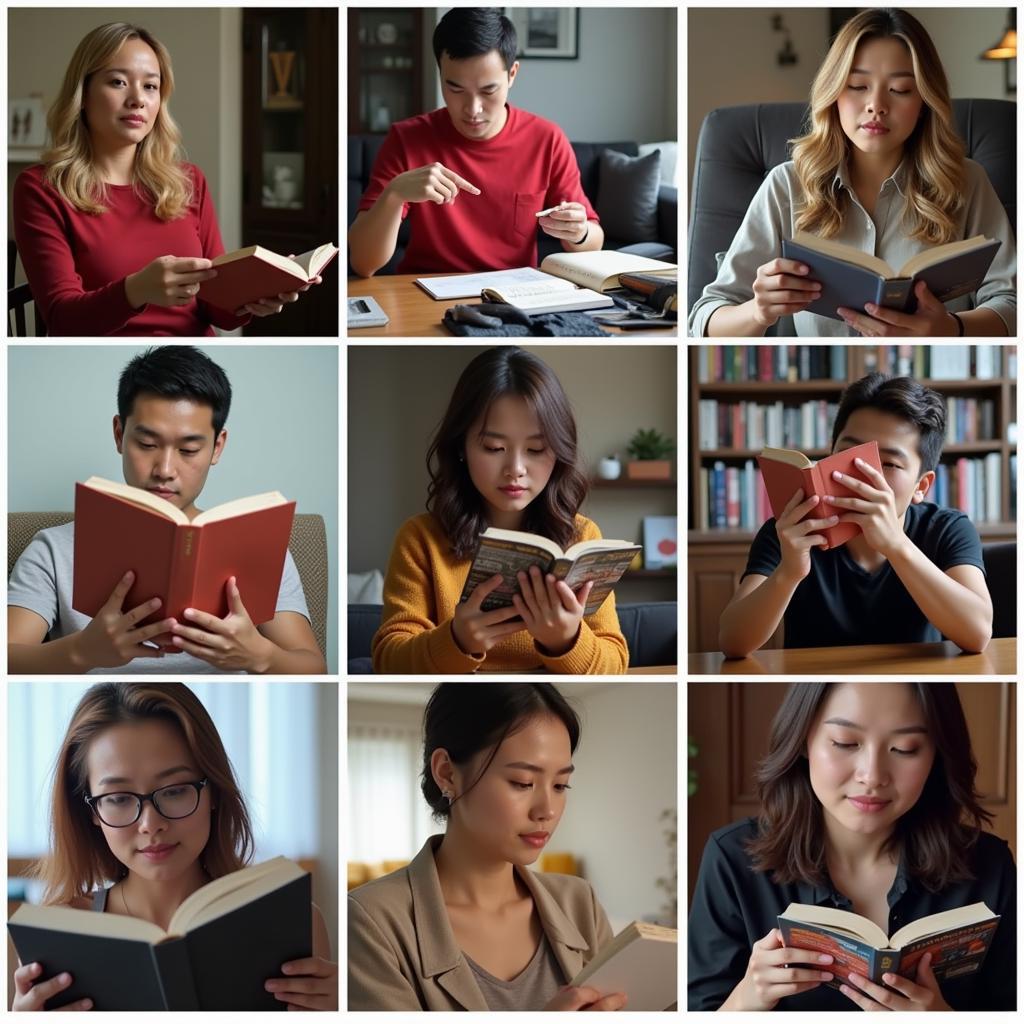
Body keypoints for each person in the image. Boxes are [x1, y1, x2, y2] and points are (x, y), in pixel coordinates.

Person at [689, 8, 1016, 337]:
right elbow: (704, 320)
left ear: (923, 104)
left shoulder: (966, 182)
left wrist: (951, 329)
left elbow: (1012, 303)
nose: (876, 105)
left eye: (900, 90)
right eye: (858, 85)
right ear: (834, 94)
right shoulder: (786, 186)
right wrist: (758, 311)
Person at [689, 682, 1016, 1011]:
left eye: (905, 748)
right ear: (803, 740)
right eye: (844, 743)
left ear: (936, 754)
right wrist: (747, 999)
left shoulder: (989, 865)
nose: (872, 776)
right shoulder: (733, 857)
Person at [11, 682, 337, 1011]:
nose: (150, 824)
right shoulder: (52, 941)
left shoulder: (297, 923)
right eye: (119, 798)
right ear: (91, 812)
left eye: (175, 790)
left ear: (214, 793)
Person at [8, 346, 326, 675]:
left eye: (188, 449)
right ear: (119, 434)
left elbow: (314, 668)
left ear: (217, 446)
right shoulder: (54, 550)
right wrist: (80, 652)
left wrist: (261, 656)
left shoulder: (262, 549)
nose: (165, 468)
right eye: (147, 445)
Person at [13, 22, 321, 336]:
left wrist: (252, 297)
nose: (137, 99)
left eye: (150, 86)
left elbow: (216, 310)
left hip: (191, 363)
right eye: (118, 82)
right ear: (83, 94)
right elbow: (63, 321)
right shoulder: (41, 188)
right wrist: (135, 291)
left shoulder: (189, 182)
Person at [348, 682, 626, 1011]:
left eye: (560, 784)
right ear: (447, 773)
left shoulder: (580, 903)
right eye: (522, 783)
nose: (547, 810)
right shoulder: (373, 921)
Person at [371, 347, 628, 673]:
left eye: (536, 449)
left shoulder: (582, 537)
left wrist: (566, 639)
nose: (515, 469)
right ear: (462, 447)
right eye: (494, 448)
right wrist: (458, 640)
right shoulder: (421, 540)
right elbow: (388, 661)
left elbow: (615, 664)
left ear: (559, 451)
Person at [718, 372, 992, 656]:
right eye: (848, 452)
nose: (861, 471)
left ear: (921, 486)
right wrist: (789, 573)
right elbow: (732, 642)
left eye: (888, 463)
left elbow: (977, 634)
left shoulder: (946, 528)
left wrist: (895, 546)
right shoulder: (792, 529)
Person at [349, 8, 604, 277]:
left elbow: (593, 241)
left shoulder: (547, 139)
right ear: (440, 74)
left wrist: (580, 232)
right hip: (423, 292)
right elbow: (363, 264)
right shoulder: (406, 139)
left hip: (514, 295)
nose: (473, 109)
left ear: (512, 74)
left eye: (488, 90)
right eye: (455, 89)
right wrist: (394, 195)